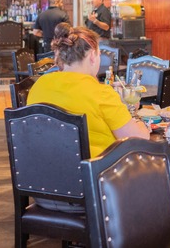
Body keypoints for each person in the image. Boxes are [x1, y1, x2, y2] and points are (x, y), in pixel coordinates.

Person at [26, 25, 149, 212]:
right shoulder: (100, 93)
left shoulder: (39, 86)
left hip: (41, 190)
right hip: (92, 191)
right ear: (92, 55)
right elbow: (139, 140)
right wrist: (140, 122)